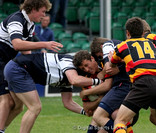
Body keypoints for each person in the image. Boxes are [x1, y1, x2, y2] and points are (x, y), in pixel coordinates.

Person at [0, 0, 63, 132]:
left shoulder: (30, 24)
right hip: (0, 61)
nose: (44, 15)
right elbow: (17, 44)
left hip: (5, 62)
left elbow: (25, 52)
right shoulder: (16, 20)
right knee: (7, 101)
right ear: (33, 9)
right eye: (43, 11)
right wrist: (44, 44)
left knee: (18, 106)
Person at [3, 52, 103, 133]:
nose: (86, 70)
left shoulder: (68, 78)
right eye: (83, 67)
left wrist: (84, 112)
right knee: (35, 107)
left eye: (85, 67)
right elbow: (75, 80)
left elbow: (68, 103)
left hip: (14, 68)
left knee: (17, 107)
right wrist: (99, 82)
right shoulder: (68, 61)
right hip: (18, 68)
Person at [73, 50, 135, 133]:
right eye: (83, 68)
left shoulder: (105, 65)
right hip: (106, 112)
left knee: (108, 115)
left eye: (86, 65)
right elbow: (87, 108)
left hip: (124, 107)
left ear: (92, 58)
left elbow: (107, 86)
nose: (86, 69)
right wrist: (100, 99)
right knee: (96, 118)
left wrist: (86, 93)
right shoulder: (87, 79)